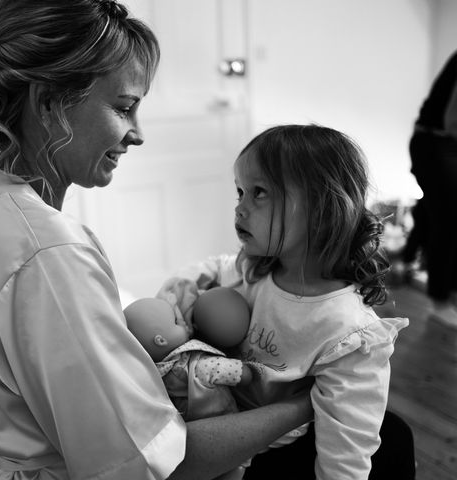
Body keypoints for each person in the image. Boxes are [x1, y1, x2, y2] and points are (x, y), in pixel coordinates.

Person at [0, 1, 313, 479]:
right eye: (124, 107)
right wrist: (305, 402)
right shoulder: (48, 254)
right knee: (388, 436)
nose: (137, 134)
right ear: (50, 102)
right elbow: (154, 463)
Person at [157, 124, 410, 480]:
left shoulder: (349, 332)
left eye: (259, 193)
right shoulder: (256, 268)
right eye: (240, 192)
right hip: (217, 426)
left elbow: (347, 451)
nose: (240, 208)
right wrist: (181, 286)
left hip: (274, 449)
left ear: (321, 208)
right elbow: (215, 266)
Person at [124, 289, 259, 422]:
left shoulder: (157, 378)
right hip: (227, 419)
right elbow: (244, 375)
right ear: (161, 341)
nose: (183, 321)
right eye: (176, 321)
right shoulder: (195, 367)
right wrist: (245, 369)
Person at [398, 49, 457, 329]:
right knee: (448, 220)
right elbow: (452, 118)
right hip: (435, 143)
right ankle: (439, 301)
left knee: (432, 210)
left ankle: (407, 260)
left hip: (441, 143)